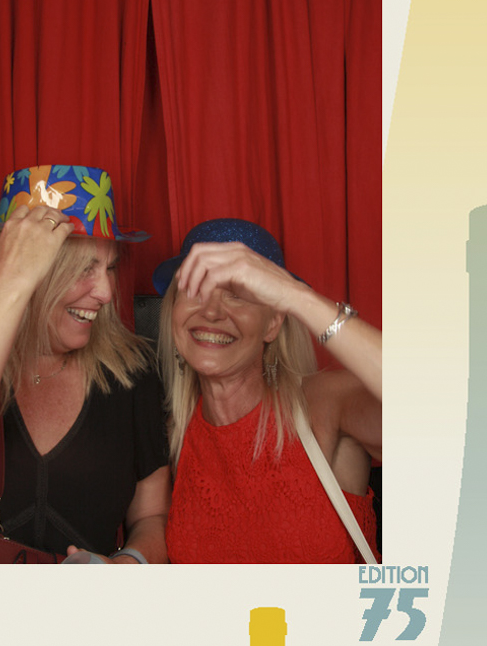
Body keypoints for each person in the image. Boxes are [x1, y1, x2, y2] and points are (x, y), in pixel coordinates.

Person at [0, 164, 169, 562]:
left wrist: (129, 565)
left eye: (110, 267)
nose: (106, 292)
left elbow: (151, 515)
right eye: (83, 269)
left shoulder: (133, 370)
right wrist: (10, 281)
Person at [155, 219, 382, 563]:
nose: (211, 312)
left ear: (273, 323)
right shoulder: (175, 434)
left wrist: (296, 296)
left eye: (238, 294)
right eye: (195, 289)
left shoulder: (325, 403)